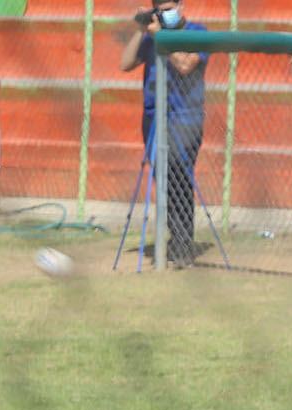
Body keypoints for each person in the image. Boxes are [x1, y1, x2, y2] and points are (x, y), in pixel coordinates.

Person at [120, 0, 209, 267]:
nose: (165, 13)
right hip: (153, 118)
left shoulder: (198, 32)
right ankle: (176, 239)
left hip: (185, 119)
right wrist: (140, 30)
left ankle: (183, 242)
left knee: (179, 177)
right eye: (159, 7)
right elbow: (125, 63)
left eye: (169, 7)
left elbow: (185, 65)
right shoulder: (151, 35)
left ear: (181, 6)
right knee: (164, 178)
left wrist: (160, 35)